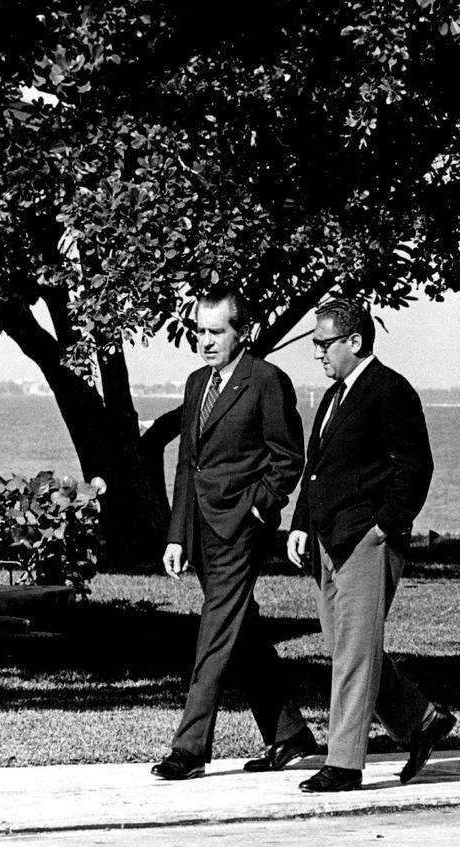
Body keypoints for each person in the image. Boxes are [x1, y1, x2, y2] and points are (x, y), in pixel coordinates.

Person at [287, 297, 456, 793]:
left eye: (323, 343)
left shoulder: (390, 390)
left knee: (356, 653)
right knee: (346, 648)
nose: (317, 353)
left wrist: (386, 526)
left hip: (366, 540)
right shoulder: (332, 396)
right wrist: (300, 523)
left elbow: (415, 467)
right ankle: (421, 720)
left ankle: (344, 764)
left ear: (353, 341)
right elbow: (314, 468)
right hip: (327, 540)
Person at [152, 288, 317, 781]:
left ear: (241, 331)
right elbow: (187, 463)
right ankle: (289, 734)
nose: (205, 341)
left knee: (214, 635)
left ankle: (190, 748)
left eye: (216, 331)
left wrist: (258, 511)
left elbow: (288, 459)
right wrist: (177, 535)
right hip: (200, 530)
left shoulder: (266, 380)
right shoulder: (195, 383)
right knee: (241, 632)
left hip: (240, 531)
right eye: (200, 331)